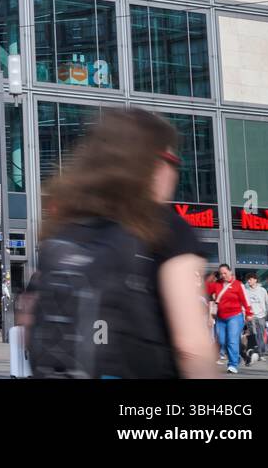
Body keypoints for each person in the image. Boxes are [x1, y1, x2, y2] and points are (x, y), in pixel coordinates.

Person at [27, 109, 218, 379]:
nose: (174, 173)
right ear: (155, 164)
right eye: (174, 161)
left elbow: (30, 326)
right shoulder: (164, 226)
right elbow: (190, 347)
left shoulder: (66, 226)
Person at [209, 264, 252, 374]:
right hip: (220, 317)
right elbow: (206, 290)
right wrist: (210, 277)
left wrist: (249, 313)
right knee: (222, 341)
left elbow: (245, 300)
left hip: (235, 316)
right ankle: (236, 358)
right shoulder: (216, 284)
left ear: (230, 271)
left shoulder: (238, 285)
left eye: (225, 273)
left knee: (232, 340)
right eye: (221, 273)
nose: (223, 275)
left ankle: (232, 364)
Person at [244, 273, 268, 360]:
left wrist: (265, 313)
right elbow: (243, 303)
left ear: (255, 280)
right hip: (251, 317)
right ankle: (253, 353)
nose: (248, 281)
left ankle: (261, 354)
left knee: (261, 336)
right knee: (253, 335)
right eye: (248, 279)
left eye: (250, 279)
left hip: (261, 316)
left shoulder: (262, 290)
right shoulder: (246, 290)